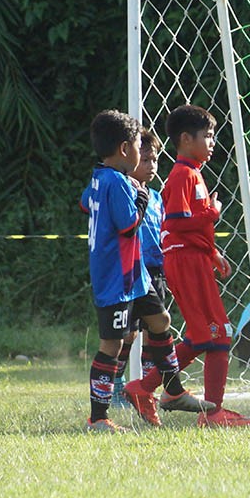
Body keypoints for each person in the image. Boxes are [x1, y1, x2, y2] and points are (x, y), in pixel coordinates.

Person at [160, 105, 250, 427]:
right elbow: (176, 221)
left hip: (195, 258)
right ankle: (207, 411)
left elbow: (189, 227)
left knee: (212, 335)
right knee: (215, 334)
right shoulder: (182, 174)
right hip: (184, 261)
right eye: (209, 136)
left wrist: (211, 252)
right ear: (186, 139)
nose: (213, 142)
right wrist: (212, 212)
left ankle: (150, 387)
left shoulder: (193, 172)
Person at [110, 128, 214, 424]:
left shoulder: (156, 197)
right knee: (126, 333)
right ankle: (118, 388)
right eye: (144, 159)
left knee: (155, 328)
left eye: (154, 159)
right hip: (130, 270)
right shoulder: (122, 192)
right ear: (127, 156)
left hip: (155, 270)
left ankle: (149, 384)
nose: (151, 165)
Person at [79, 110, 172, 432]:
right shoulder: (118, 182)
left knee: (160, 321)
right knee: (112, 346)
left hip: (135, 276)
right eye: (136, 145)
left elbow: (84, 203)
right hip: (117, 278)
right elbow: (129, 225)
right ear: (124, 149)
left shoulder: (98, 177)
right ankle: (99, 417)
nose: (140, 152)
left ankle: (168, 390)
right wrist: (141, 199)